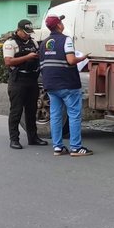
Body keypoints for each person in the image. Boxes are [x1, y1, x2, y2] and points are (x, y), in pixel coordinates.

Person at [38, 14, 92, 157]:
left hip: (50, 84)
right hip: (67, 84)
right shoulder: (66, 39)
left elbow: (42, 64)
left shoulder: (44, 43)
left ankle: (58, 147)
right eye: (61, 22)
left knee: (55, 116)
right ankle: (76, 147)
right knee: (74, 115)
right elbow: (71, 60)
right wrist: (83, 57)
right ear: (59, 25)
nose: (62, 24)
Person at [2, 18, 49, 150]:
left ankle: (33, 137)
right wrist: (27, 57)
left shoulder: (33, 42)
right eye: (25, 32)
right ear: (19, 30)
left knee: (31, 110)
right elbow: (8, 62)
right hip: (18, 80)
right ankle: (14, 139)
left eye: (29, 32)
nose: (28, 35)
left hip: (32, 79)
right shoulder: (10, 43)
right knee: (16, 111)